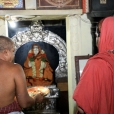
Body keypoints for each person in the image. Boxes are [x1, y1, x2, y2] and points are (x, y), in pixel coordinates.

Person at [73, 16, 114, 114]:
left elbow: (83, 107)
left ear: (106, 35)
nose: (97, 39)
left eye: (98, 34)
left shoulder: (97, 64)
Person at [0, 36, 44, 114]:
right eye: (13, 51)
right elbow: (24, 103)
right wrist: (35, 99)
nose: (13, 55)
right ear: (6, 52)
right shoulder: (14, 68)